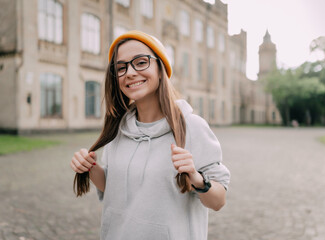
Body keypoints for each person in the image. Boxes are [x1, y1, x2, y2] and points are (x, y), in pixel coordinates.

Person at [70, 30, 231, 240]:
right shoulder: (117, 130)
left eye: (140, 62)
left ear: (160, 68)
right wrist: (90, 167)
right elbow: (113, 188)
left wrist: (196, 178)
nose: (129, 72)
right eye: (121, 67)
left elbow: (218, 201)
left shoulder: (192, 127)